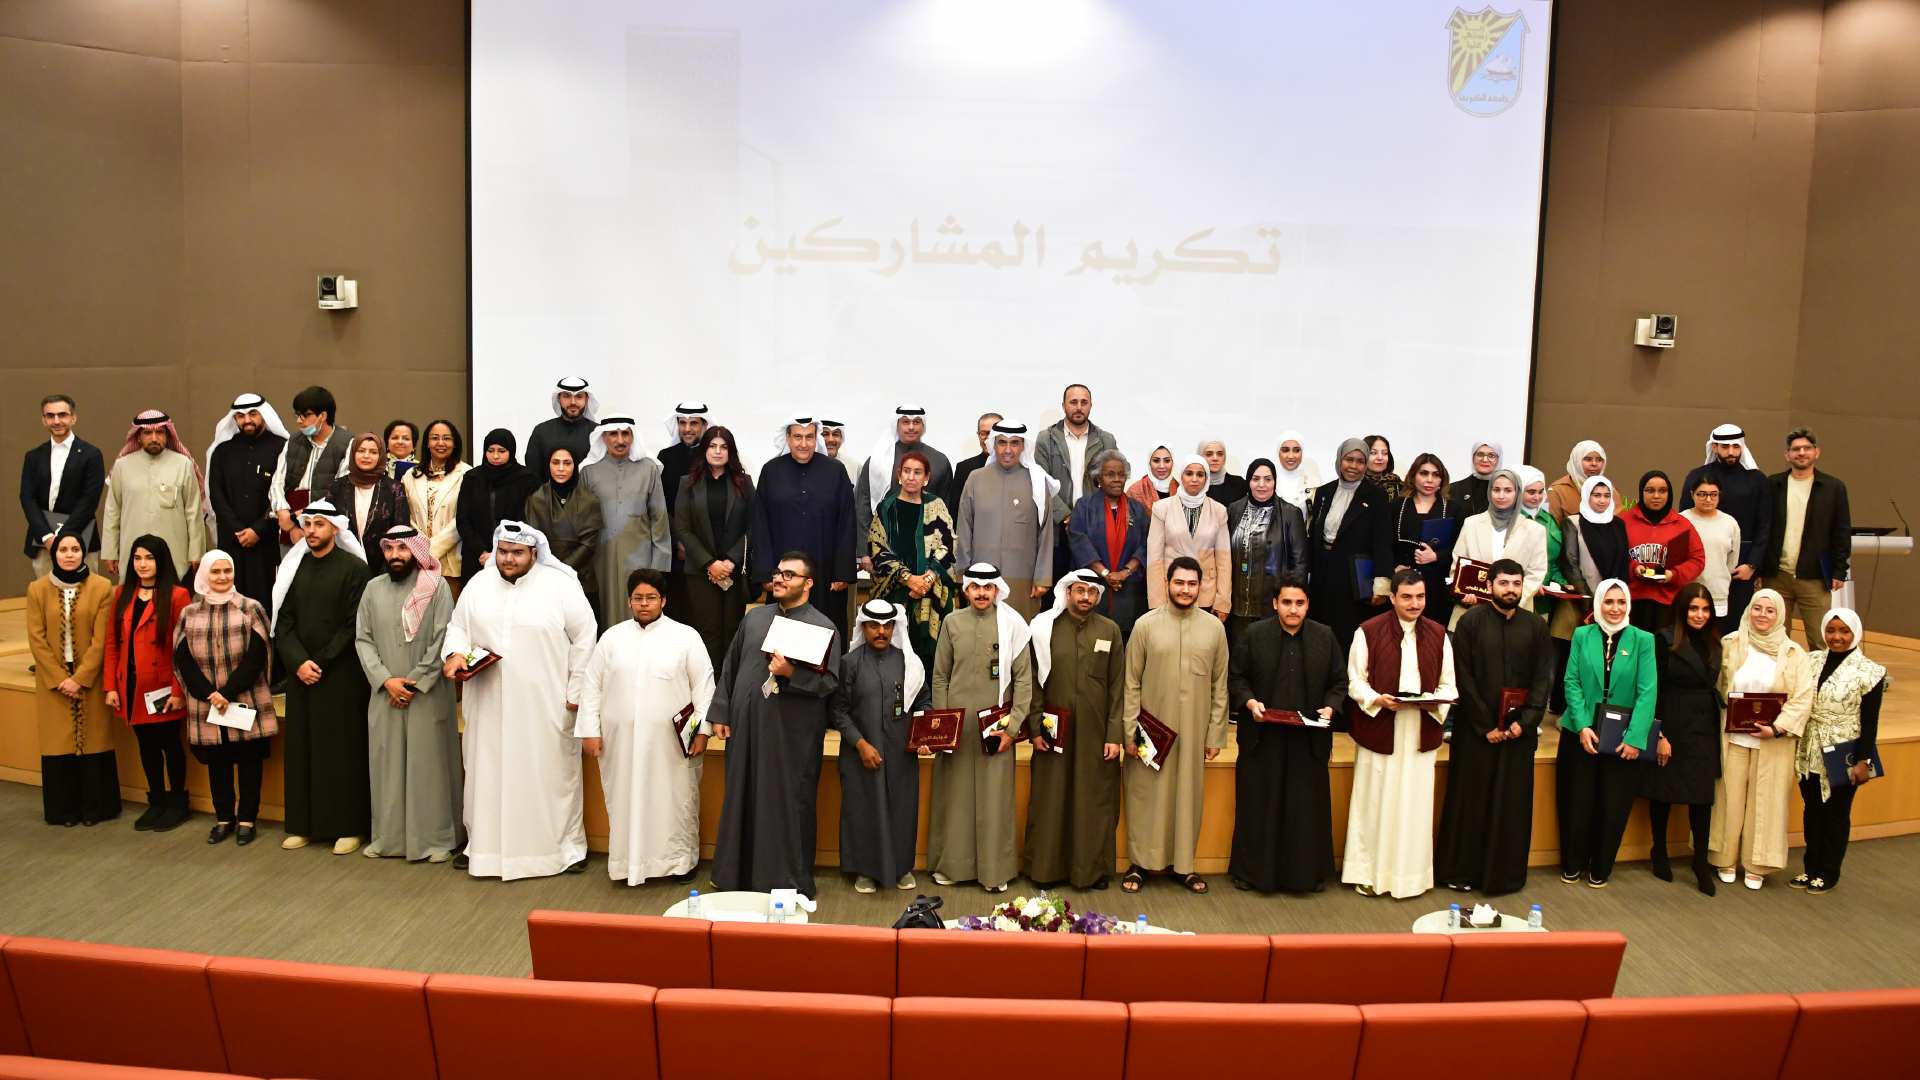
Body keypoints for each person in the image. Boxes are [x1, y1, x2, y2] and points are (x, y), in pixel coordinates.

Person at [444, 520, 599, 878]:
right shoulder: (478, 585)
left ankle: (561, 850)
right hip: (488, 704)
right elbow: (458, 628)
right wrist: (454, 653)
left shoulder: (560, 586)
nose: (508, 559)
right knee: (486, 775)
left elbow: (585, 636)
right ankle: (483, 848)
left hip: (544, 705)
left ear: (534, 553)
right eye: (503, 551)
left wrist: (576, 690)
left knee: (547, 776)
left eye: (517, 552)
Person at [708, 551, 843, 898]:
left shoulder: (822, 627)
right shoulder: (755, 618)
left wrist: (790, 673)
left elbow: (829, 683)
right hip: (746, 727)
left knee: (785, 804)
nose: (780, 578)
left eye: (789, 574)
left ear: (808, 583)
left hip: (790, 735)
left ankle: (785, 882)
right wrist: (721, 712)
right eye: (778, 572)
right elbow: (731, 664)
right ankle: (735, 876)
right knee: (741, 796)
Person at [577, 568, 716, 886]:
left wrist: (702, 731)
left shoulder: (686, 637)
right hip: (620, 743)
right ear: (629, 601)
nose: (644, 603)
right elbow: (592, 686)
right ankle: (627, 864)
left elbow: (704, 688)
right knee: (625, 800)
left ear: (663, 600)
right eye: (638, 598)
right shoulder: (612, 638)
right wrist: (590, 730)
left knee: (675, 800)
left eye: (651, 597)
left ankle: (679, 863)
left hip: (671, 744)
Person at [1435, 559, 1552, 895]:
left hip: (1518, 735)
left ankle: (1504, 876)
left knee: (1511, 806)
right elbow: (1462, 677)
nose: (1510, 590)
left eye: (1516, 583)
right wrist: (1486, 725)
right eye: (1503, 583)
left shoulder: (1536, 627)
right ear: (1489, 586)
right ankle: (1461, 872)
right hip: (1476, 732)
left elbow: (1542, 680)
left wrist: (1522, 724)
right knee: (1470, 802)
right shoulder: (1470, 623)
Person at [1227, 571, 1346, 893]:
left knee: (1305, 809)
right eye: (1287, 602)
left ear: (1308, 605)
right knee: (1260, 805)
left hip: (1308, 739)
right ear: (1275, 603)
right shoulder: (1254, 634)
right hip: (1263, 737)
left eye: (1300, 603)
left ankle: (1306, 875)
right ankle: (1252, 873)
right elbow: (1236, 677)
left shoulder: (1325, 636)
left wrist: (1330, 707)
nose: (1293, 609)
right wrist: (1249, 702)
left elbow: (1339, 682)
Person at [1341, 569, 1453, 898]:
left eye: (1420, 597)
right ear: (1392, 598)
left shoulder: (1439, 634)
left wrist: (1432, 702)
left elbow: (1449, 684)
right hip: (1380, 727)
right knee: (1375, 802)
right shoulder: (1368, 631)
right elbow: (1355, 681)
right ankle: (1368, 874)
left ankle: (1410, 878)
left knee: (1414, 805)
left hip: (1421, 727)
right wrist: (1377, 699)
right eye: (1406, 597)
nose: (1414, 603)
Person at [1121, 557, 1229, 893]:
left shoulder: (1214, 629)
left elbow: (1220, 686)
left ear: (1200, 587)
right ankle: (1139, 864)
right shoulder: (1145, 625)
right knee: (1146, 795)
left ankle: (1185, 867)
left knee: (1187, 797)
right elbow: (1130, 683)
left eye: (1192, 584)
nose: (1185, 589)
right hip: (1150, 731)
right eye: (1179, 582)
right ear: (1167, 584)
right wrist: (1129, 731)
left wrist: (1215, 735)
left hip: (1194, 733)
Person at [354, 525, 460, 864]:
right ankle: (387, 839)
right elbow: (363, 640)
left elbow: (443, 638)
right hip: (385, 693)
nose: (395, 555)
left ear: (416, 551)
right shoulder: (372, 589)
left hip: (426, 694)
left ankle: (435, 839)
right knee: (386, 767)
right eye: (390, 549)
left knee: (427, 767)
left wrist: (412, 684)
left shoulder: (438, 588)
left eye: (403, 548)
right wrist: (386, 681)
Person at [271, 501, 371, 854]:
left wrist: (321, 662)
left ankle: (348, 827)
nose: (311, 530)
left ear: (335, 529)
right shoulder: (294, 568)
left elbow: (354, 625)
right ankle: (304, 825)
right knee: (303, 750)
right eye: (308, 524)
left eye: (319, 524)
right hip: (302, 675)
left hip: (341, 675)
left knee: (341, 751)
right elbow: (283, 622)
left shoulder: (355, 569)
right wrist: (299, 662)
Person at [927, 563, 1033, 893]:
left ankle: (995, 871)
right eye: (975, 587)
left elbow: (1024, 681)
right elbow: (940, 677)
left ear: (997, 590)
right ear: (966, 590)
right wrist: (944, 726)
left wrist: (1012, 729)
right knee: (955, 798)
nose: (982, 593)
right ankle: (953, 866)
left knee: (995, 800)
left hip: (997, 730)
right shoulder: (952, 622)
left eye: (988, 588)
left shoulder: (1013, 625)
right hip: (958, 729)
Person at [1024, 570, 1127, 891]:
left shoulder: (1110, 630)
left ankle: (1091, 871)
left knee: (1092, 800)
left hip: (1096, 734)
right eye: (1079, 590)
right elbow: (1032, 682)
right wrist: (1035, 728)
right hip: (1052, 731)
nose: (1085, 597)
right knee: (1051, 797)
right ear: (1067, 593)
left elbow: (1118, 687)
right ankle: (1046, 870)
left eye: (1091, 592)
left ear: (1098, 596)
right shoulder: (1044, 628)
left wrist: (1114, 735)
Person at [1710, 588, 1813, 889]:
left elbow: (1802, 698)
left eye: (1770, 610)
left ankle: (1758, 864)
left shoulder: (1794, 653)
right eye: (1758, 608)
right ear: (1749, 610)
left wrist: (1777, 728)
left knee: (1767, 801)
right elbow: (1715, 686)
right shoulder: (1730, 644)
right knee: (1727, 798)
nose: (1762, 615)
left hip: (1773, 742)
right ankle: (1724, 858)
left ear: (1780, 615)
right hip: (1733, 738)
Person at [1558, 579, 1655, 888]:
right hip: (1580, 732)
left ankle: (1601, 867)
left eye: (1621, 602)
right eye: (1609, 602)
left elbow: (1647, 692)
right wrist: (1583, 725)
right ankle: (1572, 863)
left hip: (1622, 738)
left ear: (1629, 605)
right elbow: (1571, 681)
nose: (1615, 608)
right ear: (1598, 604)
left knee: (1612, 806)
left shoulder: (1644, 640)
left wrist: (1634, 737)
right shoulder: (1581, 635)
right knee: (1577, 802)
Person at [174, 551, 276, 845]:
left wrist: (226, 693)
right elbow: (182, 657)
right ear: (204, 575)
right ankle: (223, 819)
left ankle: (247, 820)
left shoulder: (250, 608)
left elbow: (258, 656)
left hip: (244, 698)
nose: (222, 577)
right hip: (207, 703)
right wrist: (209, 694)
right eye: (215, 571)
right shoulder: (189, 613)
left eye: (227, 571)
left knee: (249, 762)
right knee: (217, 764)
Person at [832, 599, 930, 893]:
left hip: (901, 753)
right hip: (859, 753)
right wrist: (860, 744)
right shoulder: (849, 663)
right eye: (874, 625)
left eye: (887, 626)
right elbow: (838, 711)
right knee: (862, 810)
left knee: (902, 808)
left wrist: (924, 736)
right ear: (863, 627)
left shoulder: (908, 661)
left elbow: (924, 702)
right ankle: (864, 870)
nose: (881, 632)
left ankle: (901, 867)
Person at [27, 534, 118, 826]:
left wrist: (81, 678)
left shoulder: (101, 587)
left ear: (83, 553)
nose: (69, 555)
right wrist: (59, 678)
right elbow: (36, 639)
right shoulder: (37, 589)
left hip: (90, 674)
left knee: (94, 740)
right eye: (63, 550)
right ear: (54, 554)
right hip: (53, 677)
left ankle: (95, 809)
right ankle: (64, 811)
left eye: (75, 549)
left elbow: (102, 639)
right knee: (58, 742)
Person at [103, 535, 191, 833]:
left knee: (170, 744)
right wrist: (110, 686)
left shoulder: (177, 595)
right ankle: (156, 801)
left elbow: (184, 649)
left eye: (149, 558)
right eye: (137, 558)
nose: (142, 564)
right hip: (131, 683)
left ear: (161, 560)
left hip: (163, 686)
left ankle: (177, 803)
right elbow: (113, 643)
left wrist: (179, 691)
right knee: (147, 746)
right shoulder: (122, 593)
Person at [1795, 607, 1886, 893]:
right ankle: (1810, 869)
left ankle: (1828, 872)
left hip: (1845, 749)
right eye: (1831, 630)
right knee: (1812, 810)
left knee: (1835, 813)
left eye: (1844, 631)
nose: (1837, 637)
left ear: (1855, 633)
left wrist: (1863, 760)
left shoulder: (1870, 672)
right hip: (1809, 746)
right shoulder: (1810, 660)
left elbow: (1870, 721)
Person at [1642, 582, 1723, 895]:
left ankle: (1700, 861)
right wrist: (1658, 733)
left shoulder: (1715, 642)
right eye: (1693, 609)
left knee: (1702, 795)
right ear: (1682, 610)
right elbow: (1652, 690)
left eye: (1705, 609)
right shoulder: (1662, 640)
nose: (1700, 615)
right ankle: (1659, 849)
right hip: (1671, 719)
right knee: (1663, 790)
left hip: (1703, 724)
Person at [752, 416, 858, 641]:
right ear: (787, 438)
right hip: (783, 574)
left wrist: (842, 572)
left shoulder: (835, 470)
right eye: (798, 437)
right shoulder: (771, 471)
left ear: (815, 438)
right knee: (783, 636)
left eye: (809, 437)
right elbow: (760, 524)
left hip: (826, 573)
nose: (804, 443)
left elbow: (847, 522)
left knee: (826, 634)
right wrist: (765, 572)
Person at [954, 419, 1057, 620]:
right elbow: (964, 530)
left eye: (1014, 443)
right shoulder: (975, 479)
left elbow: (1045, 532)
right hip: (981, 578)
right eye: (1002, 442)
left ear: (1023, 446)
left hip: (1024, 577)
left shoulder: (1037, 481)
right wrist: (963, 575)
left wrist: (1043, 577)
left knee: (1021, 632)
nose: (1007, 450)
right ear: (993, 444)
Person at [1306, 438, 1394, 664]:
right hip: (1323, 575)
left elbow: (1382, 543)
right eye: (1349, 460)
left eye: (1360, 461)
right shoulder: (1323, 492)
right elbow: (1314, 537)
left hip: (1353, 581)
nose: (1354, 466)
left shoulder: (1376, 497)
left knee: (1346, 638)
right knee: (1320, 635)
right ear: (1339, 460)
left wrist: (1382, 584)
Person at [674, 426, 753, 674]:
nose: (718, 452)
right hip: (701, 572)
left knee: (732, 630)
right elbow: (682, 529)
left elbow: (754, 526)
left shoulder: (744, 482)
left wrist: (730, 561)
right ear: (704, 450)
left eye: (724, 447)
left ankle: (729, 690)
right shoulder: (687, 483)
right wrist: (710, 563)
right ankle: (708, 689)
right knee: (708, 632)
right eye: (712, 446)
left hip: (733, 572)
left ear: (731, 452)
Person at [580, 415, 671, 630]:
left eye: (625, 434)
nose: (620, 440)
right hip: (600, 559)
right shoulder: (588, 472)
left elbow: (659, 516)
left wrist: (658, 564)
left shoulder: (649, 468)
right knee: (601, 613)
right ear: (603, 437)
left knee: (641, 613)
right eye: (613, 434)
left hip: (640, 557)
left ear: (633, 437)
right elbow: (581, 520)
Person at [867, 450, 956, 669]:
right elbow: (877, 550)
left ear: (926, 477)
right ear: (899, 475)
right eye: (907, 471)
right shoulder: (886, 508)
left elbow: (948, 544)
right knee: (896, 656)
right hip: (896, 593)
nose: (911, 477)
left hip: (931, 593)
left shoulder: (936, 505)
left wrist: (926, 580)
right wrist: (908, 579)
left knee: (930, 658)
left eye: (918, 472)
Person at [1679, 424, 1772, 629]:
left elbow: (1764, 525)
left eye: (1736, 447)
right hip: (1700, 568)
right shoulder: (1697, 477)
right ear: (1714, 447)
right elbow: (1683, 523)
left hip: (1743, 568)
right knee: (1697, 622)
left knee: (1734, 625)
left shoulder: (1757, 479)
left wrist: (1752, 565)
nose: (1731, 452)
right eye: (1725, 447)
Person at [1764, 428, 1850, 646]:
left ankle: (1819, 672)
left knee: (1820, 641)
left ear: (1816, 452)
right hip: (1776, 575)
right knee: (1775, 640)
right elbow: (1762, 527)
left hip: (1815, 577)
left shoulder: (1833, 487)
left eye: (1807, 448)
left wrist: (1840, 570)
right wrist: (1760, 568)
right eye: (1795, 449)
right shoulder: (1773, 484)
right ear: (1787, 455)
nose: (1801, 453)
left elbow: (1841, 531)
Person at [101, 410, 207, 582]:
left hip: (174, 550)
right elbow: (113, 511)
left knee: (174, 593)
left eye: (160, 432)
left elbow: (193, 512)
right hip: (133, 548)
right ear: (138, 436)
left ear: (168, 435)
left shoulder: (183, 465)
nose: (154, 438)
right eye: (147, 433)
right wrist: (110, 551)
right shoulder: (122, 466)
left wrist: (196, 553)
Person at [205, 394, 289, 607]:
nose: (247, 420)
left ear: (264, 415)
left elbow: (284, 493)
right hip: (232, 540)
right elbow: (216, 494)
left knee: (266, 598)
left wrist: (258, 530)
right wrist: (237, 529)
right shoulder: (222, 451)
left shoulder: (282, 448)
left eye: (253, 414)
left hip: (267, 541)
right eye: (241, 416)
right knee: (230, 596)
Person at [1035, 385, 1120, 590]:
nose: (1079, 407)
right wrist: (1067, 516)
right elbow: (1040, 481)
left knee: (1090, 590)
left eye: (1084, 402)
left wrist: (1085, 518)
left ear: (1090, 406)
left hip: (1094, 527)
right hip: (1057, 529)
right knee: (1057, 591)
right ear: (1064, 406)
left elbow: (1113, 481)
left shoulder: (1105, 440)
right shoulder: (1046, 438)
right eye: (1073, 402)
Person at [1448, 469, 1549, 630]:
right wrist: (1462, 593)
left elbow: (1536, 573)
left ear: (1517, 493)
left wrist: (1508, 601)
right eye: (1496, 490)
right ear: (1490, 492)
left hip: (1515, 614)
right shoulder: (1471, 523)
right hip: (1473, 613)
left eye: (1508, 490)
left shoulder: (1535, 530)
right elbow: (1457, 566)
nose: (1501, 496)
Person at [1225, 458, 1308, 647]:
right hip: (1238, 604)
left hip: (1272, 603)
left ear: (1275, 482)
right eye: (1256, 479)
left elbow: (1300, 564)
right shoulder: (1234, 510)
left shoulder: (1290, 513)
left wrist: (1291, 602)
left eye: (1268, 479)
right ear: (1249, 481)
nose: (1261, 484)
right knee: (1240, 655)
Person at [20, 394, 106, 577]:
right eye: (50, 416)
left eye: (62, 415)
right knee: (46, 592)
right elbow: (27, 498)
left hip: (80, 538)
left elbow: (89, 500)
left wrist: (63, 537)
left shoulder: (91, 455)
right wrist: (47, 537)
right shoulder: (33, 456)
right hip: (44, 542)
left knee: (85, 592)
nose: (56, 421)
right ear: (44, 420)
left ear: (73, 418)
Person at [1067, 450, 1150, 634]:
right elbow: (1079, 542)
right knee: (1091, 638)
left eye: (1121, 475)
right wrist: (1106, 574)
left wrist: (1124, 573)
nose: (1117, 480)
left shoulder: (1137, 509)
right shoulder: (1084, 506)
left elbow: (1146, 544)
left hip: (1128, 588)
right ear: (1099, 478)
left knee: (1124, 640)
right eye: (1110, 475)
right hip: (1092, 586)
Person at [524, 445, 605, 622]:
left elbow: (589, 544)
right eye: (556, 463)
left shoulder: (590, 500)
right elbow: (532, 541)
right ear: (548, 465)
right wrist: (553, 571)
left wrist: (562, 570)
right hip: (544, 578)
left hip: (581, 578)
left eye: (567, 463)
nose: (561, 468)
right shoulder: (536, 499)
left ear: (575, 466)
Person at [859, 404, 956, 551]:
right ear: (896, 425)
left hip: (927, 547)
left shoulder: (939, 460)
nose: (911, 427)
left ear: (923, 425)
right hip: (885, 546)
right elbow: (864, 506)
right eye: (905, 422)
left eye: (916, 422)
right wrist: (865, 551)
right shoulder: (878, 461)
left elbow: (946, 509)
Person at [1146, 457, 1231, 619]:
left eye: (1200, 474)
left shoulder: (1219, 510)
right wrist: (1157, 602)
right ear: (1181, 476)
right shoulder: (1162, 508)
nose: (1194, 479)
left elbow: (1224, 560)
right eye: (1189, 473)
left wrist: (1223, 601)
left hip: (1206, 592)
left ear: (1206, 478)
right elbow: (1154, 558)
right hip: (1172, 590)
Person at [1619, 470, 1704, 632]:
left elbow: (1697, 559)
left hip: (1669, 602)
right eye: (1650, 491)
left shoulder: (1683, 524)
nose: (1656, 496)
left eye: (1662, 491)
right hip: (1630, 599)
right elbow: (1614, 555)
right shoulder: (1623, 521)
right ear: (1641, 492)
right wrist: (1633, 568)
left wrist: (1674, 575)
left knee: (1663, 644)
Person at [271, 386, 353, 544]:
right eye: (298, 415)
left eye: (305, 415)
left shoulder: (347, 443)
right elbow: (277, 483)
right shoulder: (293, 442)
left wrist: (302, 517)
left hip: (325, 521)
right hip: (290, 523)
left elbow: (341, 490)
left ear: (323, 416)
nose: (299, 420)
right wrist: (285, 517)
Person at [1387, 453, 1457, 628]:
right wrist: (1394, 567)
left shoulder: (1454, 509)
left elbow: (1460, 549)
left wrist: (1436, 557)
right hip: (1402, 584)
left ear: (1442, 479)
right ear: (1413, 476)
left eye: (1436, 474)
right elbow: (1385, 543)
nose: (1429, 480)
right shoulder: (1396, 506)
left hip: (1437, 588)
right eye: (1424, 473)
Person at [657, 402, 712, 622]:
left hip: (706, 547)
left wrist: (692, 543)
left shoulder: (713, 457)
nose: (687, 429)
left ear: (704, 426)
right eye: (682, 423)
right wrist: (680, 539)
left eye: (694, 423)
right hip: (673, 548)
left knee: (702, 611)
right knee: (674, 609)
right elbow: (660, 503)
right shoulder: (665, 457)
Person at [455, 429, 534, 575]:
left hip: (513, 555)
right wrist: (483, 551)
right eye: (490, 451)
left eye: (502, 451)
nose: (495, 456)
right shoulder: (472, 478)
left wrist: (500, 551)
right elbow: (463, 520)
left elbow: (526, 519)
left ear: (511, 451)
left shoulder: (527, 479)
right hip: (477, 557)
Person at [402, 420, 469, 591]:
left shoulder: (468, 474)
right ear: (427, 443)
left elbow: (464, 518)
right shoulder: (411, 475)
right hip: (417, 560)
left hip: (452, 563)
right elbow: (404, 515)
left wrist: (431, 550)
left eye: (447, 438)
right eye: (435, 438)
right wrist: (421, 549)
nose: (441, 443)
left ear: (455, 443)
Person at [325, 431, 411, 554]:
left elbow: (401, 533)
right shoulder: (337, 487)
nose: (366, 456)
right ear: (353, 453)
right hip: (343, 560)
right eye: (361, 451)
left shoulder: (395, 489)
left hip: (383, 561)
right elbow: (328, 528)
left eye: (373, 452)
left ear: (381, 456)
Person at [1680, 474, 1742, 631]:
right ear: (1692, 494)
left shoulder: (1729, 523)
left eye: (1713, 495)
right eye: (1702, 494)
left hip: (1717, 592)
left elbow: (1732, 560)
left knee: (1714, 638)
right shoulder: (1681, 520)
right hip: (1688, 592)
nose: (1708, 499)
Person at [522, 376, 600, 481]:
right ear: (559, 398)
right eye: (567, 396)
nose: (573, 402)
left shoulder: (598, 433)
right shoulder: (542, 431)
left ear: (587, 400)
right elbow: (533, 475)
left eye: (579, 397)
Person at [1515, 466, 1566, 620]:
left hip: (1544, 600)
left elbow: (1553, 560)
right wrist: (1531, 584)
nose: (1537, 497)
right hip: (1518, 596)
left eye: (1540, 492)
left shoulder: (1548, 519)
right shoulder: (1511, 519)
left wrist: (1563, 583)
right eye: (1531, 492)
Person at [1547, 440, 1607, 528]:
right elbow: (1551, 529)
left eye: (1599, 460)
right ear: (1576, 460)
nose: (1594, 464)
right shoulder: (1557, 490)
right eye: (1588, 459)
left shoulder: (1609, 490)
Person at [950, 411, 1001, 511]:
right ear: (978, 435)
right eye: (984, 434)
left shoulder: (1016, 468)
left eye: (993, 434)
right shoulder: (964, 468)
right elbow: (956, 511)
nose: (988, 438)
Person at [1450, 440, 1504, 519]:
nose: (1485, 460)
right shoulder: (1452, 489)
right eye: (1480, 454)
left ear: (1499, 460)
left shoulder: (1505, 492)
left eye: (1491, 455)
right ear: (1473, 457)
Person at [1273, 432, 1321, 513]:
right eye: (1285, 450)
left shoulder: (1314, 483)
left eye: (1296, 450)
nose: (1291, 456)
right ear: (1278, 453)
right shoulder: (1267, 481)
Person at [1197, 439, 1247, 506]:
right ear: (1200, 457)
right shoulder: (1193, 483)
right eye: (1209, 454)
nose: (1215, 458)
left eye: (1220, 454)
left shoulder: (1239, 484)